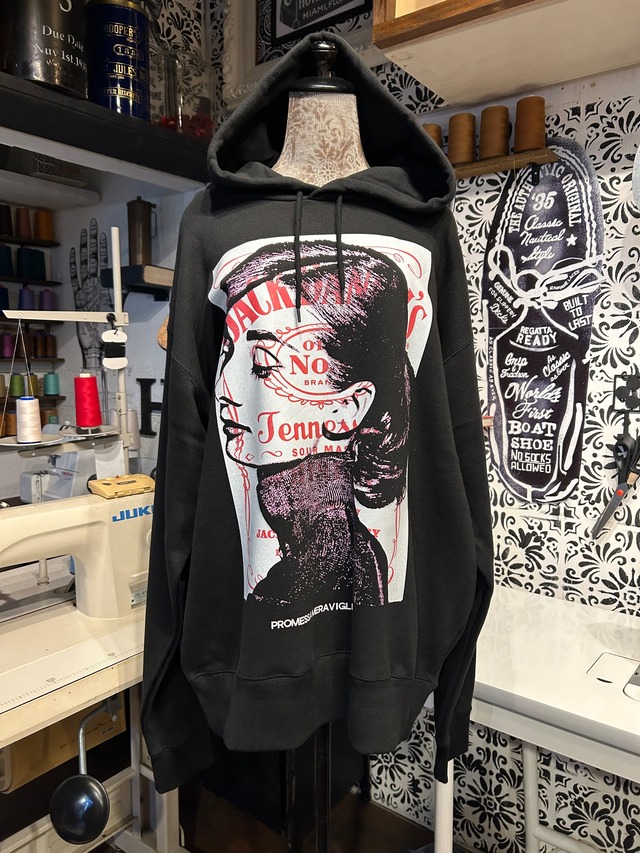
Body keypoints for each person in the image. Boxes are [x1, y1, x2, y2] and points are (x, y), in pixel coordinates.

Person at [214, 239, 412, 607]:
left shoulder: (318, 568)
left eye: (262, 364)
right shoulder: (331, 551)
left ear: (349, 406)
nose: (225, 387)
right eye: (226, 354)